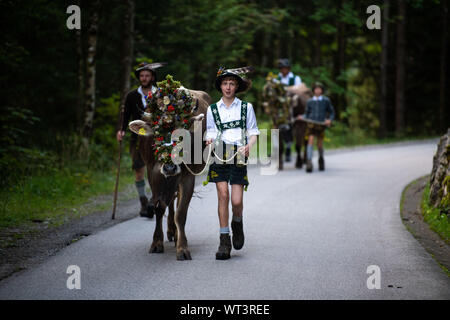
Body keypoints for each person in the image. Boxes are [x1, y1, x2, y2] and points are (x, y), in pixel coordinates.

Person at [205, 66, 260, 260]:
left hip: (238, 153)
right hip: (219, 152)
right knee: (223, 195)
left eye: (232, 84)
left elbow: (253, 132)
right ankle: (224, 240)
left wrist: (248, 146)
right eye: (225, 83)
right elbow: (210, 131)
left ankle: (237, 222)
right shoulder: (212, 109)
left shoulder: (246, 108)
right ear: (220, 86)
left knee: (236, 201)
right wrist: (208, 140)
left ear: (237, 86)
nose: (228, 87)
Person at [116, 62, 165, 218]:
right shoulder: (132, 95)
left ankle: (155, 198)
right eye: (142, 76)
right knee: (139, 170)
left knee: (158, 169)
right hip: (138, 137)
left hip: (158, 137)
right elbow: (126, 115)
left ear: (152, 77)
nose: (144, 78)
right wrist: (122, 130)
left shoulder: (161, 94)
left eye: (147, 75)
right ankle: (143, 201)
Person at [297, 82, 335, 173]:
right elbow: (307, 113)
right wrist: (302, 117)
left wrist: (329, 120)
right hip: (311, 124)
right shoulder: (310, 101)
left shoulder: (326, 100)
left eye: (319, 89)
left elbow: (332, 112)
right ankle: (309, 162)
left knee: (319, 143)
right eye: (316, 89)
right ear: (313, 90)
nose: (317, 90)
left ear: (322, 90)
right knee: (310, 140)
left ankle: (321, 159)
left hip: (321, 125)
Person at [277, 59, 302, 162]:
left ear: (288, 69)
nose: (284, 70)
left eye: (285, 68)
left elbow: (299, 90)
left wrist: (287, 91)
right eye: (282, 68)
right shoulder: (276, 78)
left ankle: (291, 119)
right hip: (280, 103)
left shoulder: (295, 78)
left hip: (291, 102)